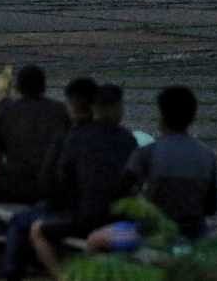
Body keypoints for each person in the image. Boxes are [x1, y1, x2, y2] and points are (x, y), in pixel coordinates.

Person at [30, 84, 137, 278]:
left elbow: (64, 180)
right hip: (120, 220)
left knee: (37, 230)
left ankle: (62, 277)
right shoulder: (129, 139)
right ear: (118, 108)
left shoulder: (77, 137)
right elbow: (133, 182)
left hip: (86, 220)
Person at [0, 77, 98, 281]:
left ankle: (12, 272)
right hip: (107, 213)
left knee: (19, 222)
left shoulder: (68, 139)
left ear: (72, 105)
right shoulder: (122, 137)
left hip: (73, 213)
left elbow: (49, 182)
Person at [102, 86, 217, 245]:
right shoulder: (207, 155)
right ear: (192, 117)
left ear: (161, 116)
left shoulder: (146, 152)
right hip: (195, 232)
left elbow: (121, 193)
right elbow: (210, 207)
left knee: (95, 239)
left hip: (154, 231)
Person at [0, 65, 70, 204]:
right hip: (50, 189)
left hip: (15, 187)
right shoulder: (59, 111)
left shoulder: (6, 111)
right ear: (44, 87)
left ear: (18, 87)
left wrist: (7, 179)